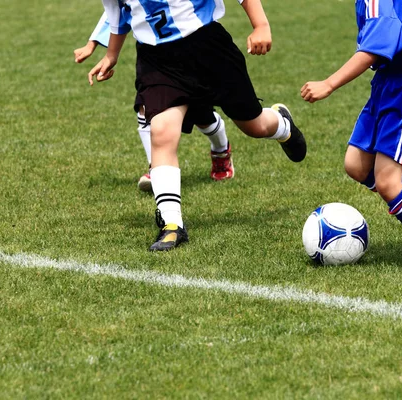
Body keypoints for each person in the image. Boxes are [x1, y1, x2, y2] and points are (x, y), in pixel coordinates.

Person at [87, 0, 306, 251]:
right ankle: (172, 225)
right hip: (157, 60)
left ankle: (282, 124)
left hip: (207, 47)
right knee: (161, 131)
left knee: (253, 126)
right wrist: (111, 55)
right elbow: (117, 13)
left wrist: (261, 25)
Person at [300, 0, 402, 270]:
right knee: (357, 164)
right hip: (386, 86)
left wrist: (328, 84)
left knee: (387, 182)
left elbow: (373, 50)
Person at [74, 12, 234, 191]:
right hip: (153, 55)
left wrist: (260, 26)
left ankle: (221, 150)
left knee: (201, 116)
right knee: (146, 107)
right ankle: (155, 167)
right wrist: (93, 43)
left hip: (193, 48)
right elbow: (119, 9)